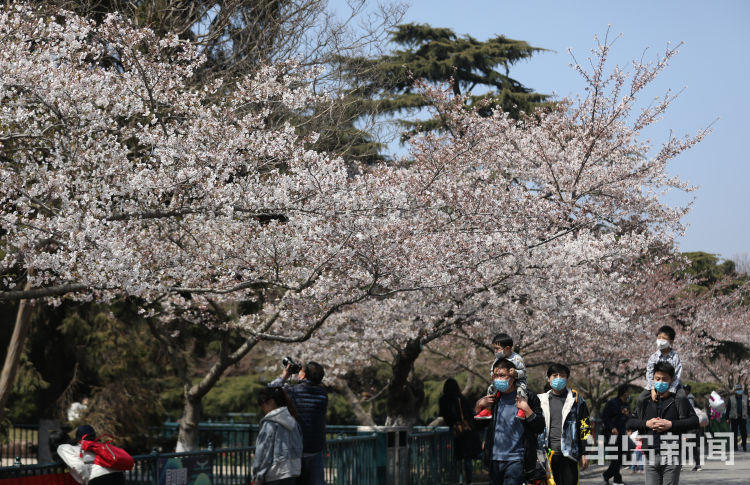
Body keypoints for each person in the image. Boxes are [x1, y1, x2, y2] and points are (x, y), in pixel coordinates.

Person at [474, 357, 545, 485]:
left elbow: (539, 427)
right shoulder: (492, 399)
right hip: (494, 459)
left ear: (513, 377)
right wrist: (479, 406)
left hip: (516, 460)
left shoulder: (528, 397)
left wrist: (526, 409)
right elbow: (477, 426)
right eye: (495, 376)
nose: (498, 379)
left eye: (502, 375)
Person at [626, 361, 698, 485]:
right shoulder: (645, 401)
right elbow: (630, 423)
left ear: (671, 380)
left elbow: (694, 421)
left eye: (665, 379)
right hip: (650, 454)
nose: (660, 382)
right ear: (652, 379)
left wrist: (671, 425)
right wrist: (646, 424)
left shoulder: (678, 400)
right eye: (657, 378)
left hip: (672, 453)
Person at [269, 361, 328, 485]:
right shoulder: (323, 394)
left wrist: (285, 376)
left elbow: (267, 394)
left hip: (293, 450)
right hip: (315, 448)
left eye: (301, 371)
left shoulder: (291, 391)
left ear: (304, 375)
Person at [538, 363, 591, 485]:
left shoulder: (576, 400)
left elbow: (585, 427)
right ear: (548, 378)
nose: (558, 378)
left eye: (562, 375)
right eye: (554, 375)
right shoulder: (540, 400)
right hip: (547, 455)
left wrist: (585, 453)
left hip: (570, 455)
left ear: (567, 378)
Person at [252, 387, 303, 485]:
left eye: (262, 405)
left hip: (275, 473)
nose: (263, 409)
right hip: (293, 471)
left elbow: (263, 453)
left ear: (271, 402)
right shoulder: (293, 422)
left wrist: (258, 475)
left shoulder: (270, 423)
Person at [475, 333, 528, 420]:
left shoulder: (517, 358)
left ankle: (522, 409)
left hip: (518, 381)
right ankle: (488, 409)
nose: (495, 351)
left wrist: (516, 373)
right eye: (494, 348)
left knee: (521, 390)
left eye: (497, 349)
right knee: (491, 389)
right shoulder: (497, 359)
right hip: (500, 381)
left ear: (507, 348)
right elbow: (492, 370)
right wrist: (492, 375)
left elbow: (524, 372)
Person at [439, 378, 482, 484]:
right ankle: (468, 480)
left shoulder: (443, 400)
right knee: (467, 457)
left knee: (457, 457)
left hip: (455, 431)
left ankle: (456, 479)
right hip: (466, 431)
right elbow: (470, 414)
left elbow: (445, 415)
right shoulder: (461, 398)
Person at [56, 425, 125, 485]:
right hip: (118, 476)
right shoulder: (99, 446)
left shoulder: (64, 447)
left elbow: (79, 466)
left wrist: (87, 480)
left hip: (99, 478)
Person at [637, 325, 684, 411]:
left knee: (681, 397)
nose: (660, 341)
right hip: (655, 386)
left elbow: (677, 375)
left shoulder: (675, 357)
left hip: (673, 386)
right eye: (659, 338)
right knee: (641, 399)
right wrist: (652, 389)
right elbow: (649, 373)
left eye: (664, 339)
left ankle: (682, 419)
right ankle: (641, 421)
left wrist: (670, 390)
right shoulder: (653, 357)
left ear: (671, 342)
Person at [600, 384, 631, 485]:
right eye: (628, 392)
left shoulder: (626, 405)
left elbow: (626, 419)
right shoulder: (612, 403)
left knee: (620, 458)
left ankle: (613, 477)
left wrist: (627, 415)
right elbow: (604, 416)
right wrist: (611, 427)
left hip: (622, 434)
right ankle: (610, 476)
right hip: (611, 435)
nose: (629, 394)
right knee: (616, 458)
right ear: (624, 392)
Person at [725, 383, 748, 452]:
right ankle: (735, 446)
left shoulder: (745, 398)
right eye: (737, 389)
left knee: (744, 433)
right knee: (734, 433)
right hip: (734, 418)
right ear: (735, 390)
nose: (739, 391)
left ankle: (744, 445)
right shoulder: (731, 399)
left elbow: (748, 408)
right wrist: (727, 418)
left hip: (742, 417)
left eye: (740, 389)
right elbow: (728, 409)